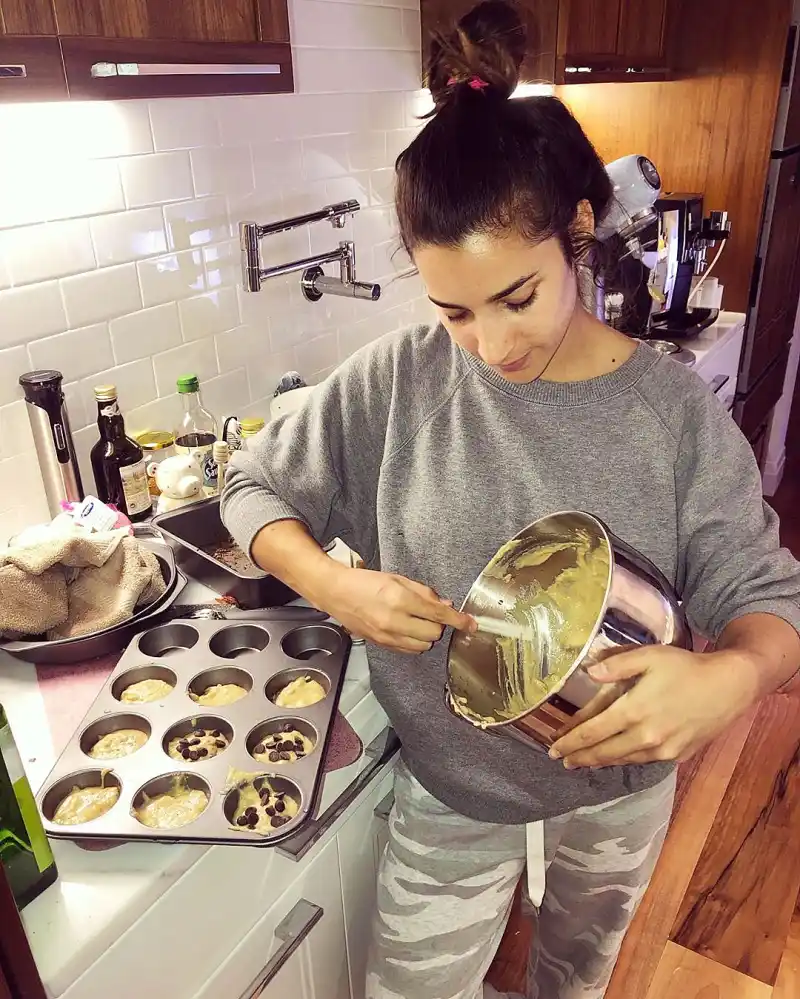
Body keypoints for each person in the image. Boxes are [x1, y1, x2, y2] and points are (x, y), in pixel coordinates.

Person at [220, 3, 800, 996]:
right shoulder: (397, 381)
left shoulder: (666, 414)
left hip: (616, 783)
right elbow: (250, 485)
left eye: (516, 298)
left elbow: (767, 597)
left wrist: (732, 679)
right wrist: (332, 583)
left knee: (574, 977)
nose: (489, 346)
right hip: (456, 786)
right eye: (452, 311)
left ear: (578, 230)